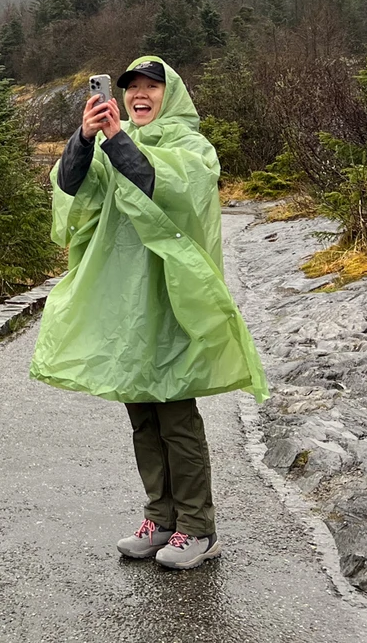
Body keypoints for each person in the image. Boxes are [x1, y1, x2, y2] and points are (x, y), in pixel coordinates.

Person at [29, 56, 268, 571]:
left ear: (170, 94)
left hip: (173, 301)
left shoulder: (190, 148)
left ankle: (198, 529)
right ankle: (160, 518)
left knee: (176, 417)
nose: (140, 94)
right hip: (129, 308)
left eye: (151, 87)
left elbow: (167, 187)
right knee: (142, 414)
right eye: (132, 87)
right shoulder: (111, 143)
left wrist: (117, 142)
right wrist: (83, 138)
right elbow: (70, 188)